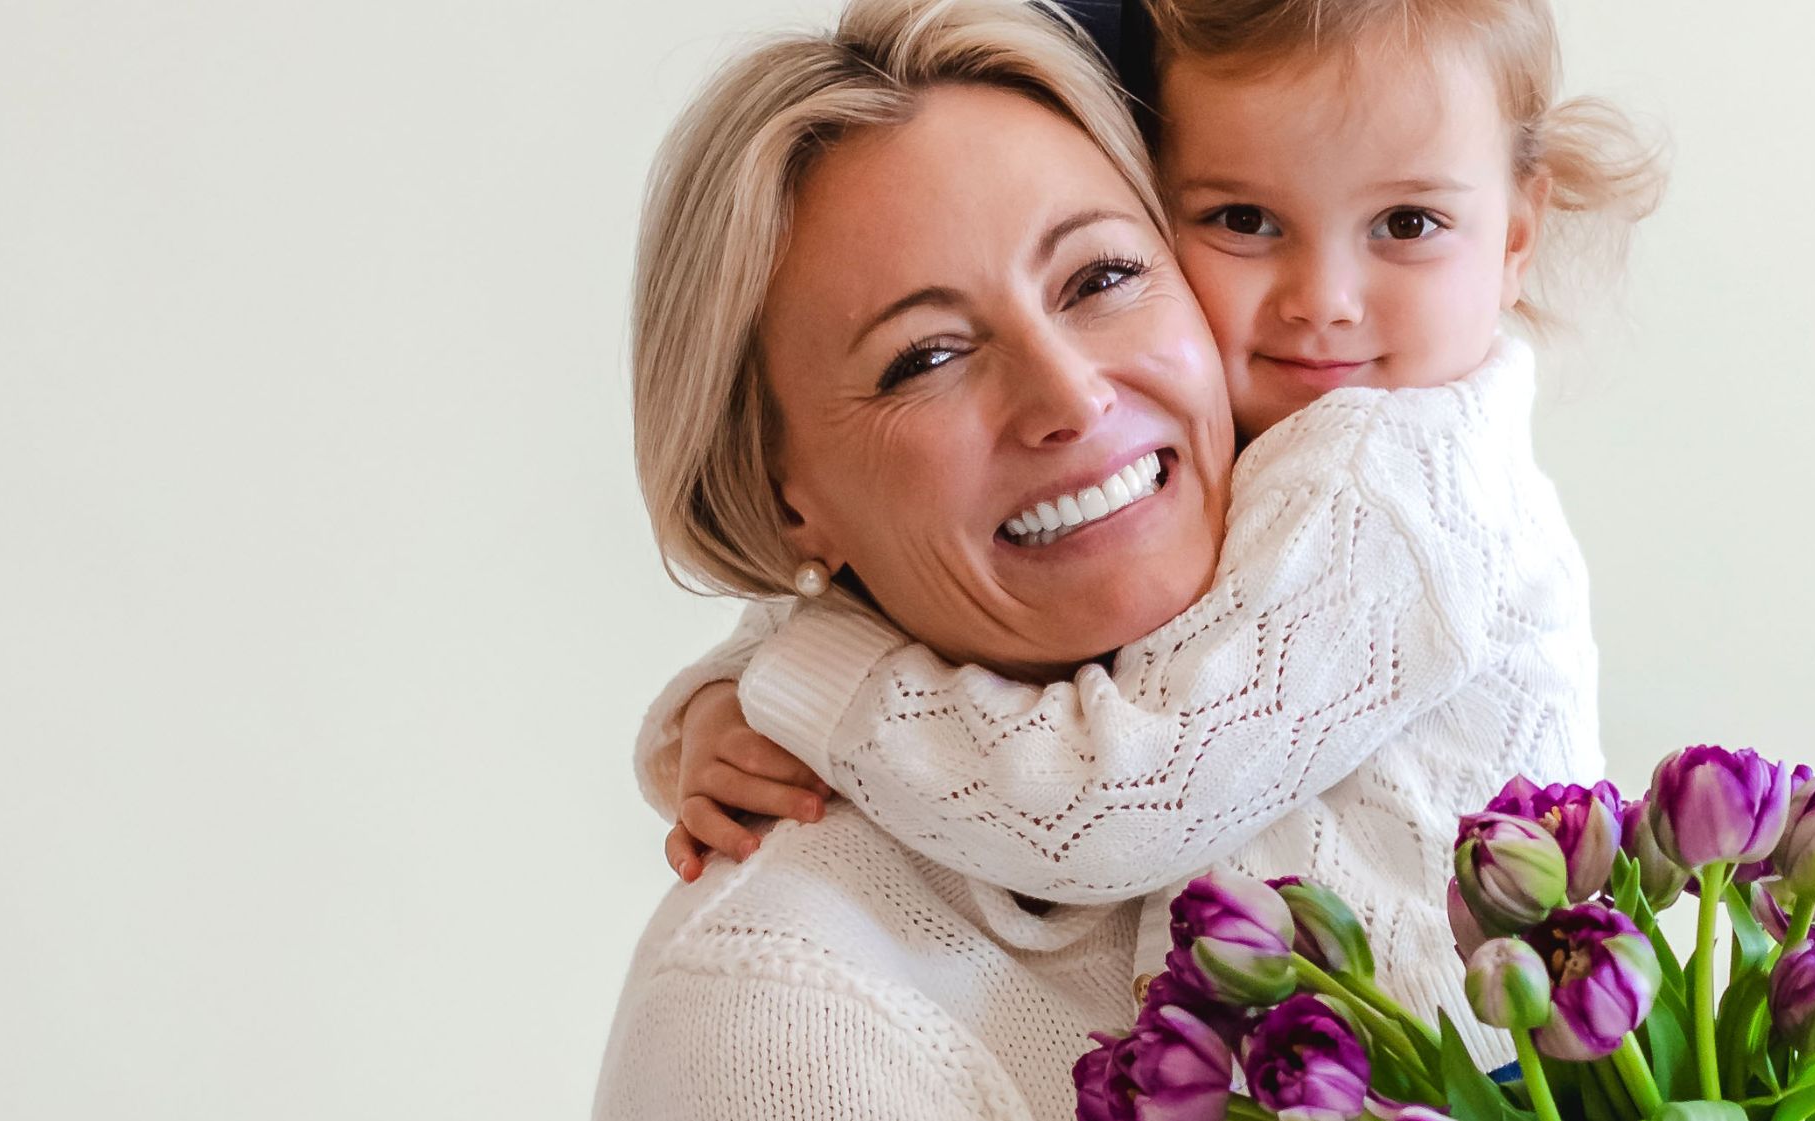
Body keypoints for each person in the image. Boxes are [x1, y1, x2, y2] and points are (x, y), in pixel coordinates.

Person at [627, 0, 1667, 1104]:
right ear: (785, 498)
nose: (1322, 304)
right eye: (923, 355)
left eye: (1100, 277)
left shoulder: (1387, 477)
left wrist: (805, 684)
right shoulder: (782, 1002)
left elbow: (1111, 794)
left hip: (1482, 1058)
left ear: (1515, 235)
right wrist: (736, 684)